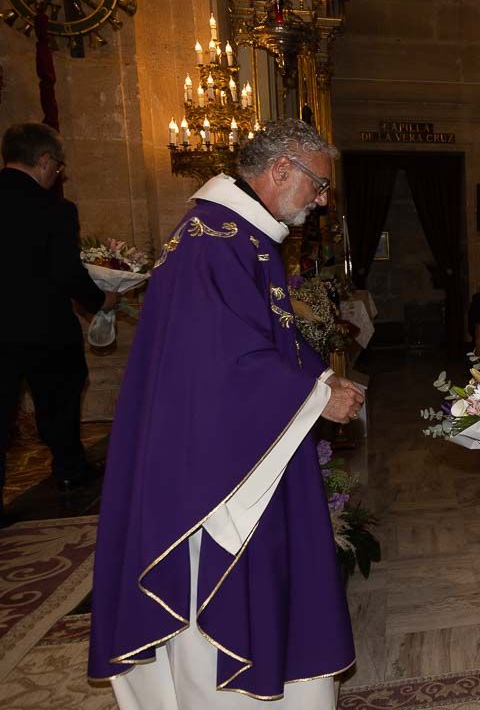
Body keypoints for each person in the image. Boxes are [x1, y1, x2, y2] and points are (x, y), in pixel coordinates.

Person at [88, 119, 363, 707]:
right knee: (236, 588)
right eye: (317, 185)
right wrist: (318, 395)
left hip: (244, 442)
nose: (321, 200)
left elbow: (257, 340)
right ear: (281, 168)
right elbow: (221, 365)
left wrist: (319, 376)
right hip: (215, 466)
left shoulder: (238, 235)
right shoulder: (215, 243)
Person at [0, 122, 118, 519]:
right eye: (59, 165)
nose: (59, 173)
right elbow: (66, 272)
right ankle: (70, 471)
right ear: (45, 160)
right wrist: (102, 299)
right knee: (61, 399)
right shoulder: (55, 209)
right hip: (44, 329)